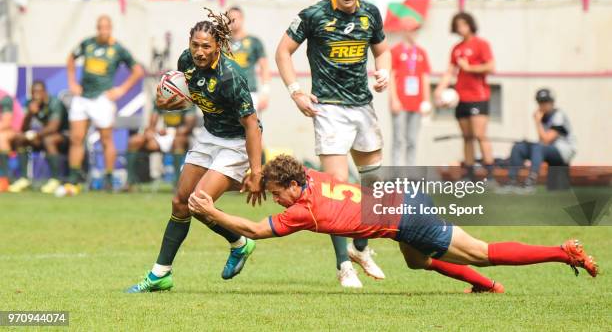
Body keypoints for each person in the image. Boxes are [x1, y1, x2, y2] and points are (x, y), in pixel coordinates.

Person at [188, 154, 599, 294]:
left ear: (295, 187)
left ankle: (562, 253)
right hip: (400, 204)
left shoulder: (304, 210)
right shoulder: (312, 176)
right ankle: (483, 284)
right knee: (416, 263)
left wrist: (213, 213)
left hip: (406, 216)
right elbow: (285, 173)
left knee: (482, 252)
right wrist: (260, 178)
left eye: (279, 192)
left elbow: (258, 231)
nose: (277, 199)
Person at [126, 8, 264, 293]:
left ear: (218, 47)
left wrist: (256, 170)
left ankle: (239, 242)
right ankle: (161, 274)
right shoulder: (186, 61)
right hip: (208, 136)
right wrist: (171, 102)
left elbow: (252, 125)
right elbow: (194, 95)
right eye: (195, 44)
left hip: (236, 143)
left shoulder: (231, 77)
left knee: (198, 202)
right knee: (180, 202)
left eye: (206, 46)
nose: (199, 52)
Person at [275, 0, 391, 288]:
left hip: (363, 107)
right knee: (337, 186)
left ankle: (360, 248)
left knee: (374, 183)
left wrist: (384, 71)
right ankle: (344, 266)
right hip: (328, 109)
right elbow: (283, 52)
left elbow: (383, 51)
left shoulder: (371, 13)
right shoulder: (314, 15)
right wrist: (296, 92)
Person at [62, 15, 144, 195]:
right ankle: (74, 179)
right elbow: (70, 58)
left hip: (102, 98)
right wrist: (72, 82)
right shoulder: (87, 44)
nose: (103, 31)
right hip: (83, 96)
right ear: (97, 28)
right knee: (76, 138)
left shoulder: (118, 48)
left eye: (106, 27)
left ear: (111, 28)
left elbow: (138, 70)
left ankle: (108, 178)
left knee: (106, 139)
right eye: (100, 27)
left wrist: (121, 89)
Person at [434, 12, 495, 181]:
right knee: (467, 137)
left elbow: (491, 66)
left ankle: (489, 174)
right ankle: (470, 174)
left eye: (463, 25)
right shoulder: (456, 49)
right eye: (458, 26)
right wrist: (439, 90)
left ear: (470, 25)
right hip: (461, 98)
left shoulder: (481, 44)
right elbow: (450, 71)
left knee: (480, 135)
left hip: (479, 96)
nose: (461, 29)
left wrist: (469, 68)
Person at [504, 88, 577, 193]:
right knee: (519, 147)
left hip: (565, 150)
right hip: (549, 148)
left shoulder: (558, 115)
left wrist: (537, 122)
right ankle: (512, 181)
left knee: (538, 147)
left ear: (552, 102)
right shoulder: (544, 116)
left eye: (545, 102)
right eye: (540, 102)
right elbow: (543, 140)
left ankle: (530, 181)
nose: (542, 105)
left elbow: (546, 140)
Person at [7, 81, 69, 194]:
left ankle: (55, 180)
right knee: (20, 138)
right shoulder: (30, 103)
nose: (36, 95)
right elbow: (24, 128)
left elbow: (53, 128)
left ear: (45, 92)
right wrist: (30, 113)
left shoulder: (55, 102)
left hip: (63, 137)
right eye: (33, 92)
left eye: (39, 92)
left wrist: (36, 135)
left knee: (49, 140)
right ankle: (24, 179)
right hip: (41, 136)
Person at [124, 102, 197, 190]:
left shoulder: (187, 100)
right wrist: (151, 132)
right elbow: (151, 125)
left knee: (178, 141)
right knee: (135, 141)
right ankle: (130, 182)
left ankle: (178, 183)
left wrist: (169, 131)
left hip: (182, 138)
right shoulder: (161, 97)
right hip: (164, 136)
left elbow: (187, 128)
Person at [389, 27, 431, 167]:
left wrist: (426, 101)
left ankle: (411, 173)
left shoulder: (421, 52)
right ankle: (396, 175)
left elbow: (425, 77)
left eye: (416, 31)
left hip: (416, 103)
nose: (414, 34)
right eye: (412, 30)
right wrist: (394, 99)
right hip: (400, 103)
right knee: (398, 139)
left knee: (412, 140)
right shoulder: (395, 51)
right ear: (405, 31)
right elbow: (391, 76)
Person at [228, 6, 271, 113]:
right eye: (230, 18)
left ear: (242, 19)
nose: (233, 21)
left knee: (252, 128)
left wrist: (265, 93)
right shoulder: (222, 43)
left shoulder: (254, 41)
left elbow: (264, 67)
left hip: (250, 92)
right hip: (227, 94)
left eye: (236, 18)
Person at [0, 92, 23, 192]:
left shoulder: (5, 98)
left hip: (15, 130)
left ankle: (6, 179)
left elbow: (6, 123)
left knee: (1, 138)